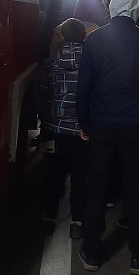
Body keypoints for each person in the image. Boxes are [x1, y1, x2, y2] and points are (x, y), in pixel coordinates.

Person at [77, 0, 139, 274]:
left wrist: (83, 122)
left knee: (96, 186)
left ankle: (92, 252)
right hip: (135, 125)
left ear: (112, 7)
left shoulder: (94, 39)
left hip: (101, 123)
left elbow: (84, 87)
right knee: (136, 188)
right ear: (136, 10)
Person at [37, 18, 88, 239]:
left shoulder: (49, 65)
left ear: (63, 36)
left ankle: (49, 217)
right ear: (83, 36)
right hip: (80, 131)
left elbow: (40, 98)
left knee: (53, 175)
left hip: (53, 129)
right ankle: (77, 221)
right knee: (80, 176)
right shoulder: (92, 64)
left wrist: (45, 120)